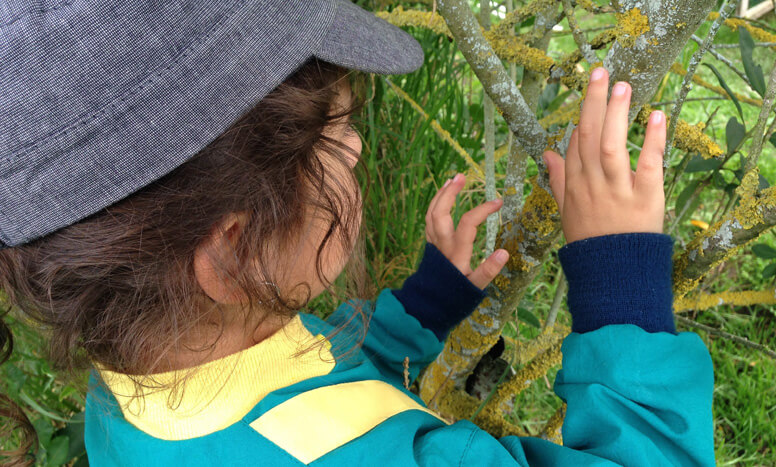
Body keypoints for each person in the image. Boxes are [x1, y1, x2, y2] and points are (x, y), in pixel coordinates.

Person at [0, 0, 714, 465]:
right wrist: (622, 287)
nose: (357, 147)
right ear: (235, 249)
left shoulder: (136, 378)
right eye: (335, 135)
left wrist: (424, 308)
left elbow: (304, 380)